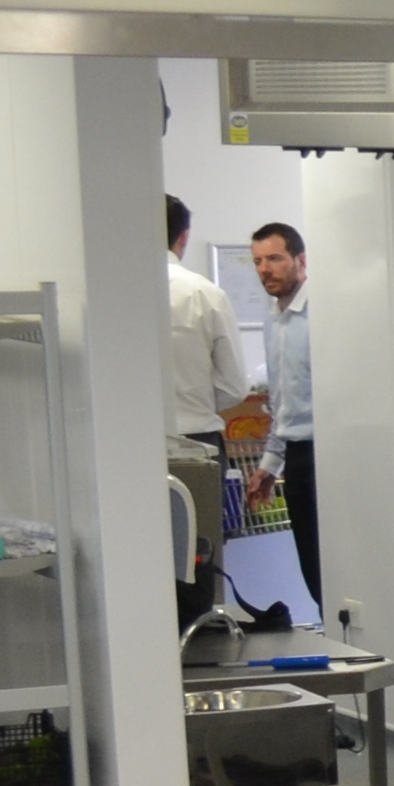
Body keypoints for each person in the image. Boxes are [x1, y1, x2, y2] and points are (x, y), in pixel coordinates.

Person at [248, 220, 318, 597]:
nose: (265, 269)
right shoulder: (273, 321)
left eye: (274, 258)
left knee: (335, 564)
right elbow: (282, 403)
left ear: (300, 260)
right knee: (311, 564)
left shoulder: (320, 316)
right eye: (258, 261)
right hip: (296, 456)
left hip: (327, 453)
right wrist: (269, 465)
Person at [162, 198, 240, 454]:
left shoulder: (110, 293)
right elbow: (234, 386)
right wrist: (195, 400)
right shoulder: (205, 293)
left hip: (127, 440)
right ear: (184, 236)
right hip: (198, 440)